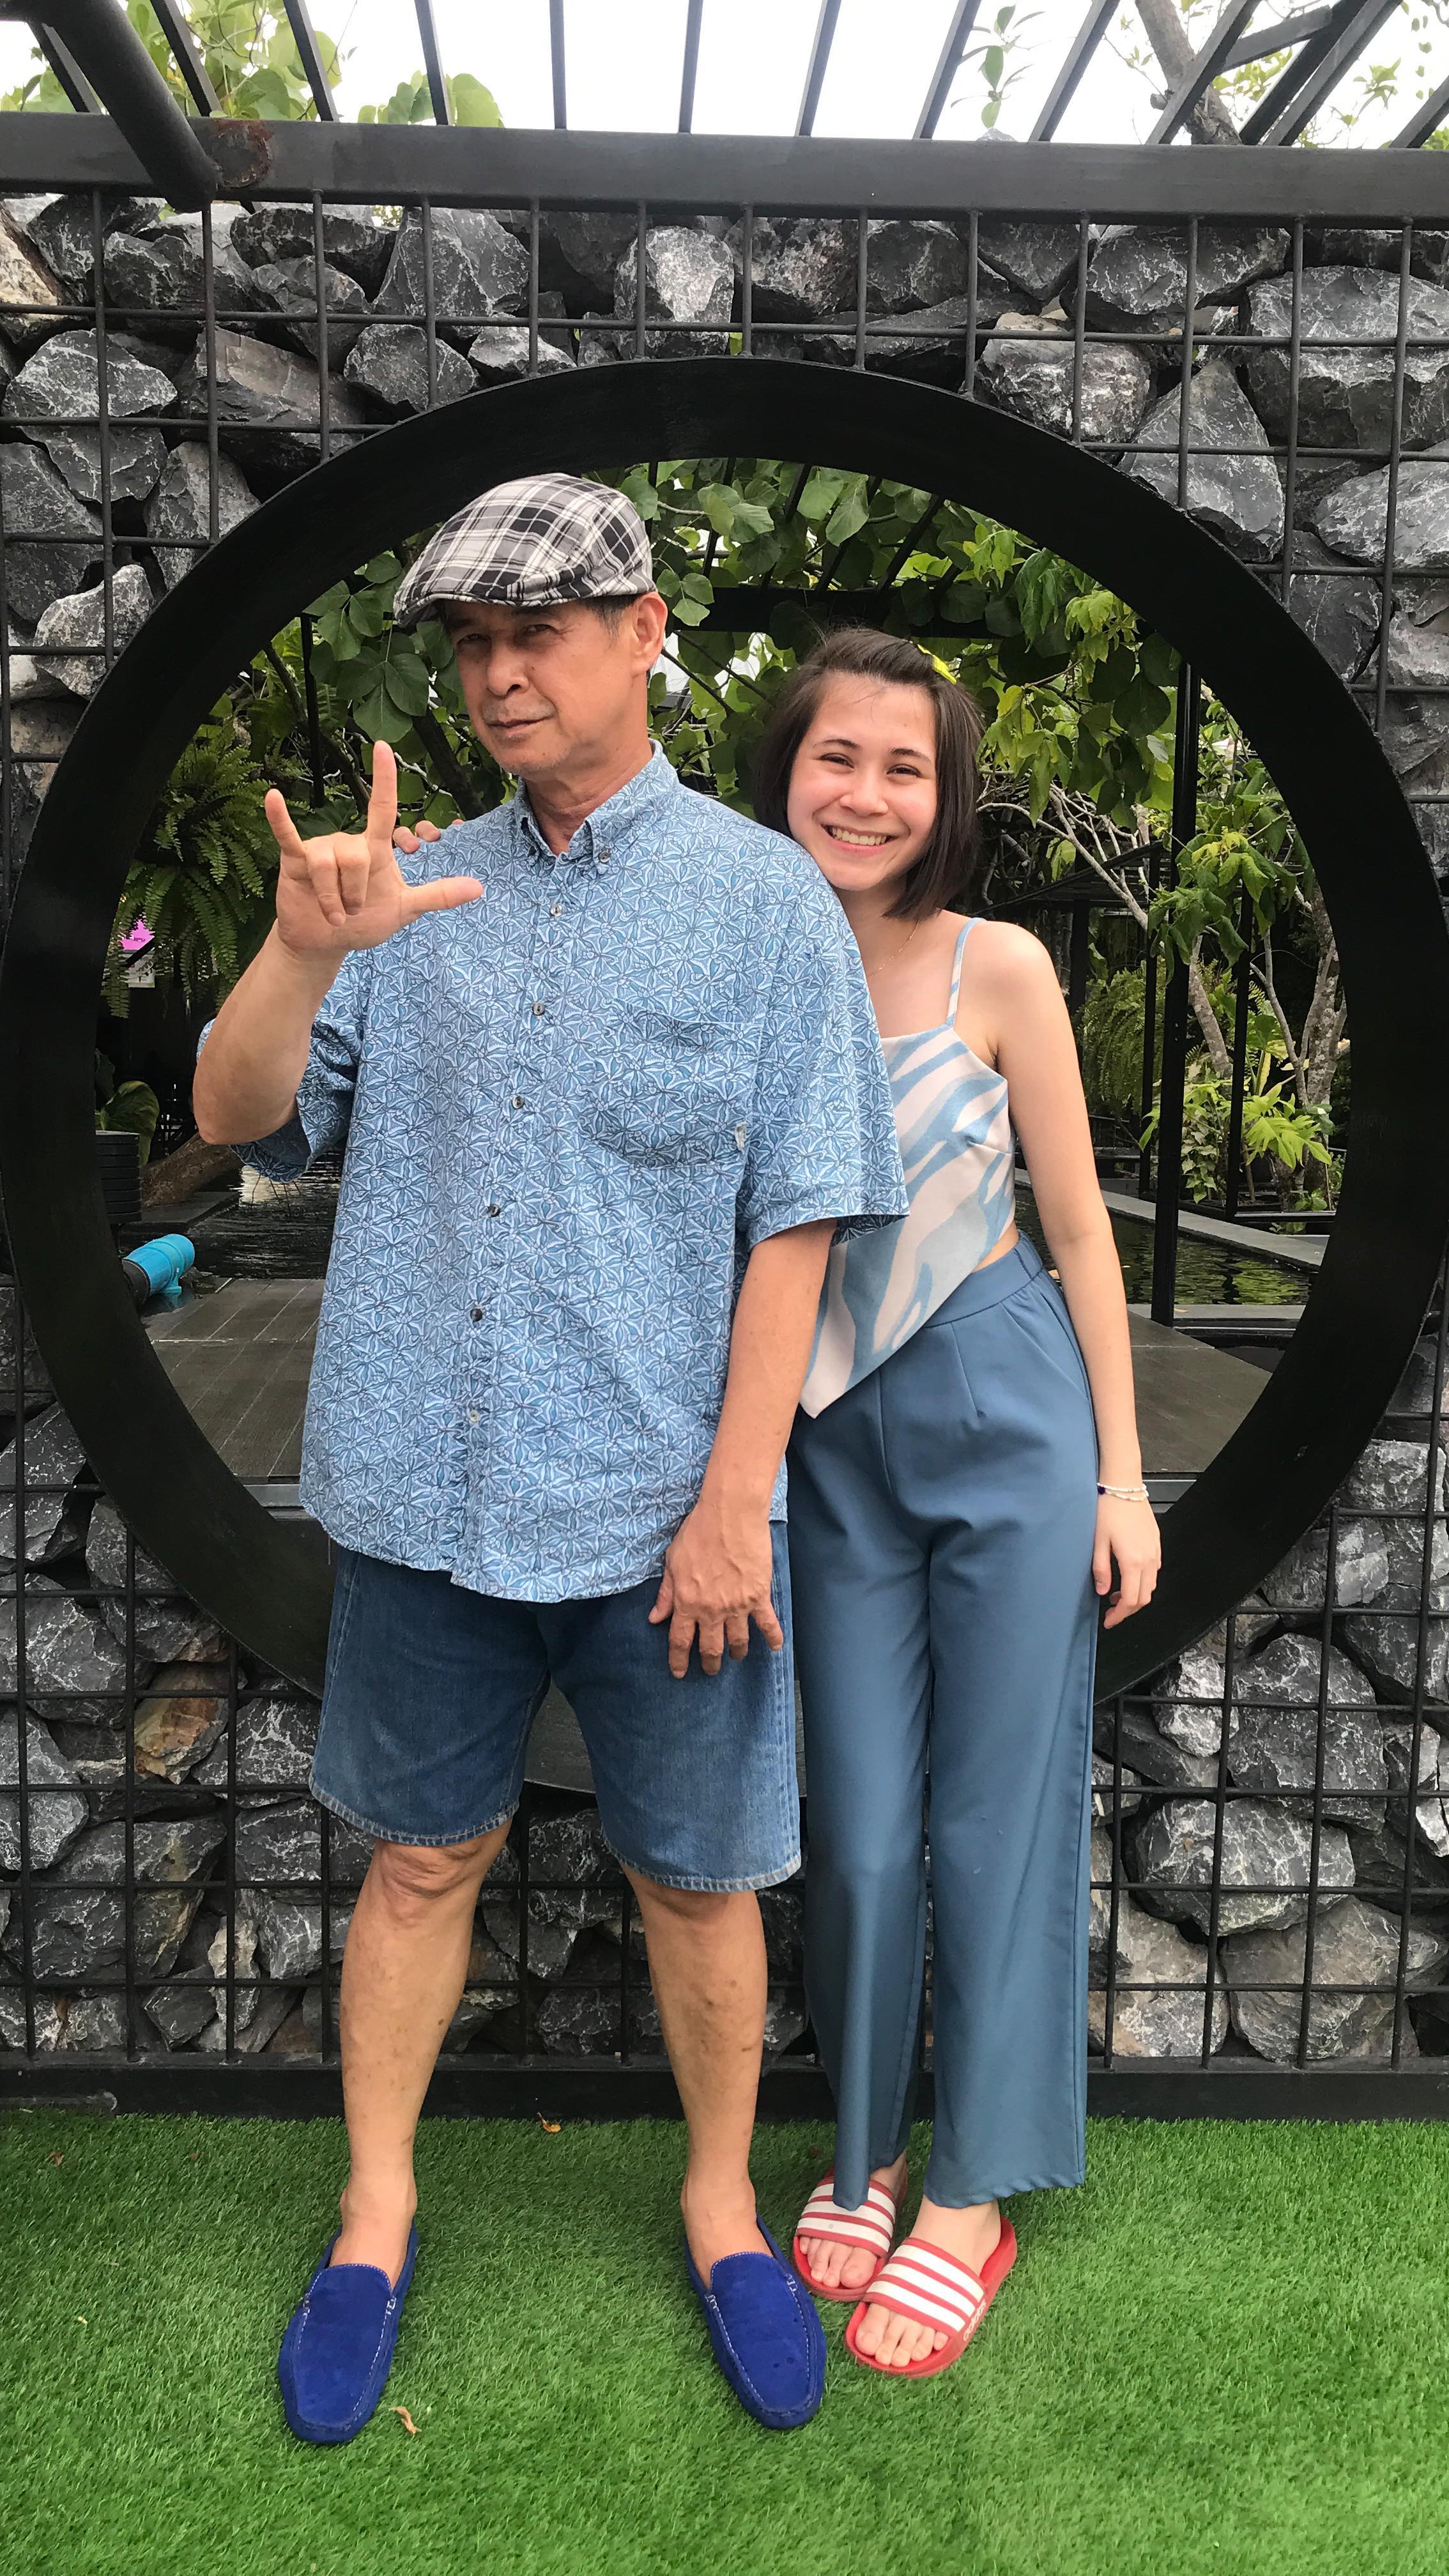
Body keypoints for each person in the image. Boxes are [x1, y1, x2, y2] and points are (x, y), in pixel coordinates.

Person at [192, 478, 907, 2440]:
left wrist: (736, 1500)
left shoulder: (763, 904)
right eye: (474, 643)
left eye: (543, 631)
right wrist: (297, 952)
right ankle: (375, 2213)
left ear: (645, 632)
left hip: (666, 1513)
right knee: (422, 1857)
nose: (502, 673)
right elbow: (239, 1119)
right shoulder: (401, 890)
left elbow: (802, 1216)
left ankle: (718, 2209)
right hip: (421, 1492)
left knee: (698, 1879)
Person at [748, 627, 1160, 2380]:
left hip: (1005, 1414)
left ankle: (973, 2193)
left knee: (994, 1820)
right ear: (785, 769)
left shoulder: (999, 966)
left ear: (946, 796)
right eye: (835, 756)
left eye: (902, 766)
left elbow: (1080, 1235)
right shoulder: (738, 959)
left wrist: (1122, 1476)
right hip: (823, 1440)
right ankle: (862, 2150)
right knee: (854, 1827)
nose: (864, 793)